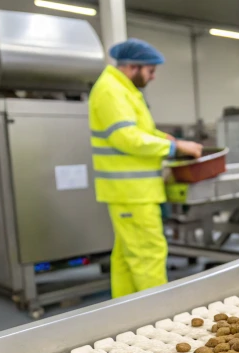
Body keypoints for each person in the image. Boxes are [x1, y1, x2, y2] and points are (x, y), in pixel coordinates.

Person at [88, 38, 203, 298]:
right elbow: (126, 138)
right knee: (149, 254)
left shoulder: (125, 90)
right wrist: (176, 148)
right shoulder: (111, 91)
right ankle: (157, 319)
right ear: (132, 66)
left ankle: (125, 313)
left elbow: (141, 131)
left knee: (127, 257)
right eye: (150, 71)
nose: (152, 77)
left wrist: (165, 139)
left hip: (133, 192)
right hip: (132, 192)